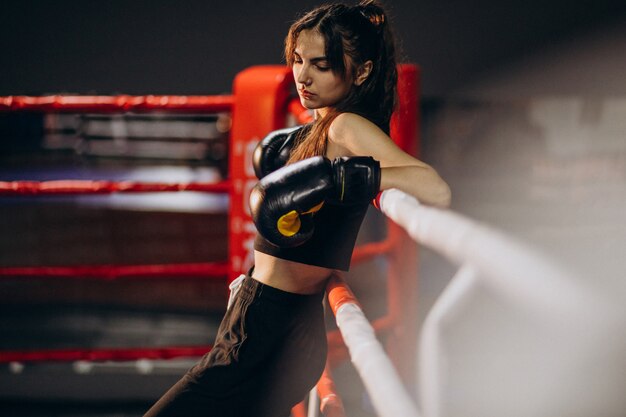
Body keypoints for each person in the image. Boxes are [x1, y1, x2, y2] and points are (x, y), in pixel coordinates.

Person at [143, 1, 450, 416]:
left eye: (321, 65)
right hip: (272, 319)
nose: (302, 77)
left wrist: (344, 176)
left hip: (269, 329)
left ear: (361, 72)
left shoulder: (346, 126)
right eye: (298, 60)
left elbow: (435, 188)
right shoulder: (321, 125)